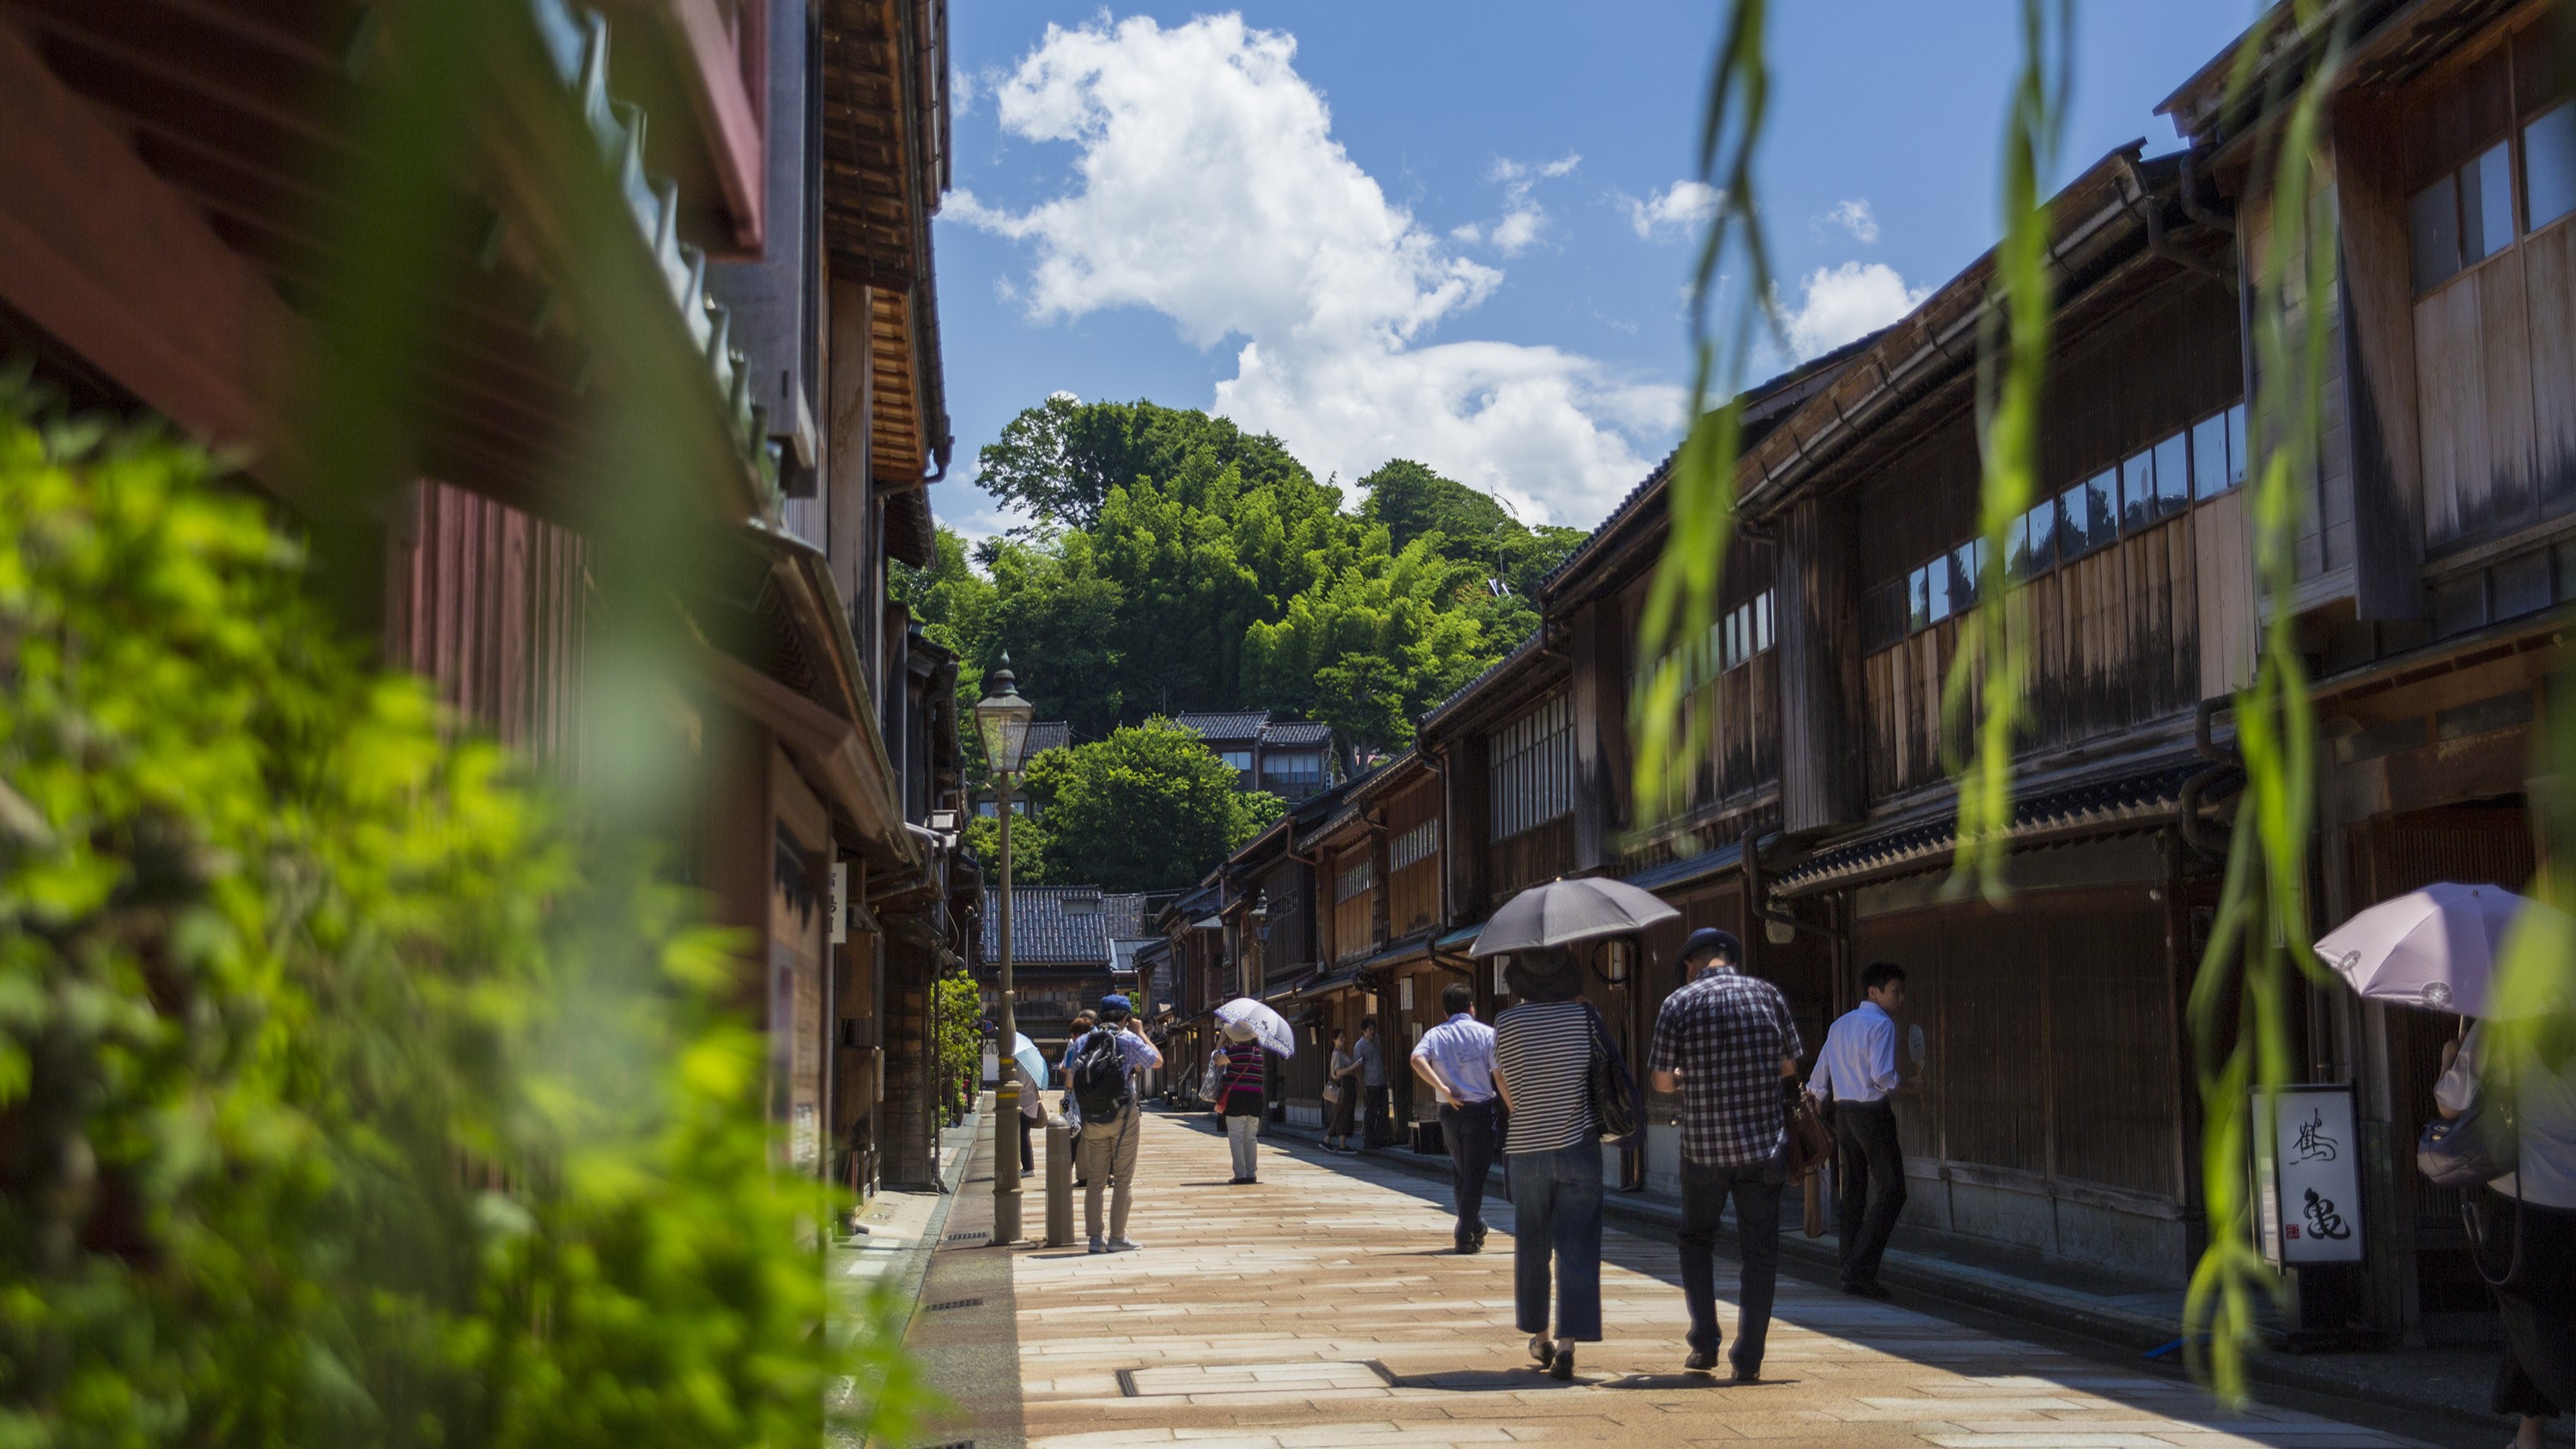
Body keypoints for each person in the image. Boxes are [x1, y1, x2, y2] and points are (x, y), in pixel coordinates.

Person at [1648, 926, 1803, 1384]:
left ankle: (1705, 1343)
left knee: (1696, 1240)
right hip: (1763, 1146)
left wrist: (1684, 1076)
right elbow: (1791, 1065)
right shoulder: (1767, 994)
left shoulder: (1678, 1003)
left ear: (1691, 965)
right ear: (1728, 959)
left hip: (1704, 1148)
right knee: (1760, 1253)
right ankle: (1749, 1356)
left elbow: (1660, 1083)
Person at [2437, 1012, 2576, 1449]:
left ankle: (2530, 1437)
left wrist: (2449, 1059)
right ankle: (2528, 1434)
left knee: (2530, 1314)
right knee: (2548, 1312)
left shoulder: (2503, 1021)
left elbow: (2450, 1104)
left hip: (2523, 1195)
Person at [1492, 948, 1605, 1380]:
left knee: (1532, 1244)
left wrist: (1522, 1108)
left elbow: (1501, 1077)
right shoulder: (1584, 1017)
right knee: (1576, 1245)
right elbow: (1599, 1069)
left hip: (1525, 1149)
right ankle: (1569, 1344)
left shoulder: (1507, 1022)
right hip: (1578, 1144)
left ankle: (1540, 1338)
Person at [1811, 961, 1909, 1300]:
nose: (1901, 998)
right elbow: (1883, 1076)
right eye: (1895, 991)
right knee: (1893, 1190)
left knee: (1853, 1189)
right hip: (1871, 1112)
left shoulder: (1840, 1025)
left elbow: (1819, 1075)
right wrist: (1908, 1085)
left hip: (1844, 1113)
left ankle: (1850, 1268)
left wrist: (1817, 1101)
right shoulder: (1882, 1024)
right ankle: (1859, 1267)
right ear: (1874, 992)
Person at [1066, 994, 1162, 1253]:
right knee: (1122, 1179)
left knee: (1096, 1180)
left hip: (1092, 1116)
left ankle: (1095, 1239)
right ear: (1125, 1018)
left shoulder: (1084, 1040)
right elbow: (1157, 1060)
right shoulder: (1129, 1039)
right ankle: (1118, 1237)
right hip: (1123, 1115)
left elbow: (1073, 1078)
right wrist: (1141, 1033)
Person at [1413, 981, 1501, 1252]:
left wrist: (1442, 1088)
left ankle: (1474, 1225)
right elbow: (1498, 1074)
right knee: (1473, 1175)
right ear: (1471, 1006)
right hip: (1480, 1110)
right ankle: (1463, 1233)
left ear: (1445, 1011)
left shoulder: (1435, 1034)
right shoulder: (1486, 1033)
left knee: (1461, 1171)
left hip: (1449, 1111)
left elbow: (1416, 1059)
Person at [1211, 1023, 1268, 1183]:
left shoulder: (1234, 1052)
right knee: (1251, 1137)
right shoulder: (1258, 1054)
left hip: (1237, 1099)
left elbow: (1217, 1061)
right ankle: (1251, 1173)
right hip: (1256, 1099)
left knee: (1236, 1136)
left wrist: (1220, 1041)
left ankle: (1240, 1174)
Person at [1355, 1016, 1392, 1149]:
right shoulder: (1359, 1046)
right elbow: (1357, 1068)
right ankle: (1369, 1140)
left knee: (1384, 1111)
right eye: (1369, 1030)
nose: (1372, 1032)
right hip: (1369, 1083)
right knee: (1371, 1112)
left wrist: (1387, 1077)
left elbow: (1382, 1058)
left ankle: (1381, 1138)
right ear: (1363, 1031)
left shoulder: (1377, 1040)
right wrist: (1361, 1085)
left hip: (1381, 1080)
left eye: (1373, 1029)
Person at [1323, 1028, 1360, 1152]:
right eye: (1340, 1038)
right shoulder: (1337, 1054)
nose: (1343, 1040)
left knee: (1342, 1114)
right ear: (1334, 1040)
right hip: (1344, 1087)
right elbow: (1337, 1072)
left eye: (1344, 1037)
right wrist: (1353, 1066)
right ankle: (1340, 1144)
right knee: (1343, 1114)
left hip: (1347, 1086)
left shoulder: (1341, 1053)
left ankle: (1329, 1140)